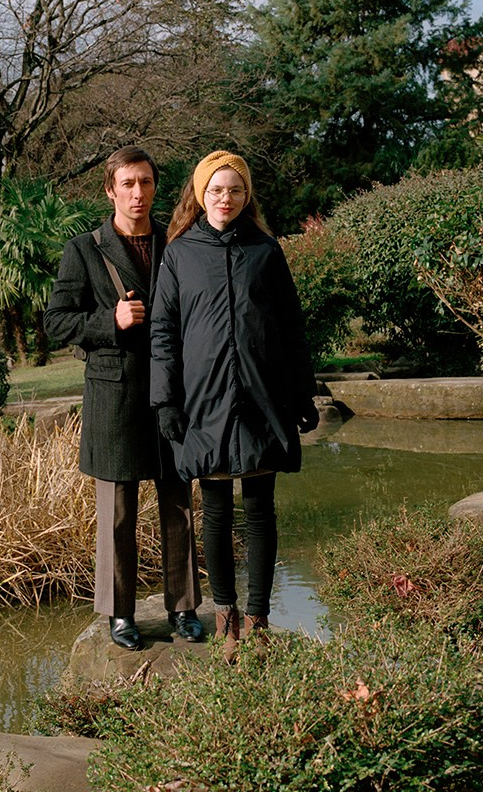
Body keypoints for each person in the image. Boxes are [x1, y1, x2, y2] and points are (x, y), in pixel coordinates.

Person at [149, 150, 318, 660]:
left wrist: (303, 392)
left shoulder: (266, 251)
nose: (226, 199)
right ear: (200, 194)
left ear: (247, 197)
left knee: (261, 511)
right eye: (217, 190)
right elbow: (163, 333)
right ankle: (225, 617)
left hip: (262, 397)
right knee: (217, 513)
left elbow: (290, 327)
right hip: (204, 403)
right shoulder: (179, 254)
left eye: (236, 190)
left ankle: (259, 619)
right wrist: (166, 401)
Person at [45, 146, 203, 651]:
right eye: (128, 184)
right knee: (117, 513)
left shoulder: (177, 242)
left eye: (147, 183)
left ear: (156, 187)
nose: (138, 194)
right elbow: (54, 322)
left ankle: (184, 608)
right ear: (111, 189)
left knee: (178, 503)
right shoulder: (84, 250)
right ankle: (119, 615)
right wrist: (106, 322)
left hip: (174, 391)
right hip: (115, 397)